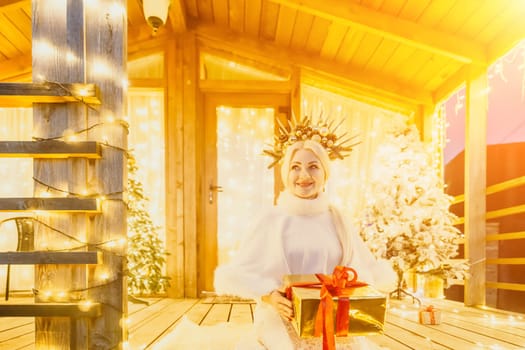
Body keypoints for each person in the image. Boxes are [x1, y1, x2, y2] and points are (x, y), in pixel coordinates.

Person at [214, 122, 397, 349]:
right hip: (283, 316)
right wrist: (270, 296)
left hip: (331, 315)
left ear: (324, 173)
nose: (304, 175)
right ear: (286, 173)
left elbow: (361, 267)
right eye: (295, 167)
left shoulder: (338, 219)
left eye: (313, 167)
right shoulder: (271, 219)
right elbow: (244, 273)